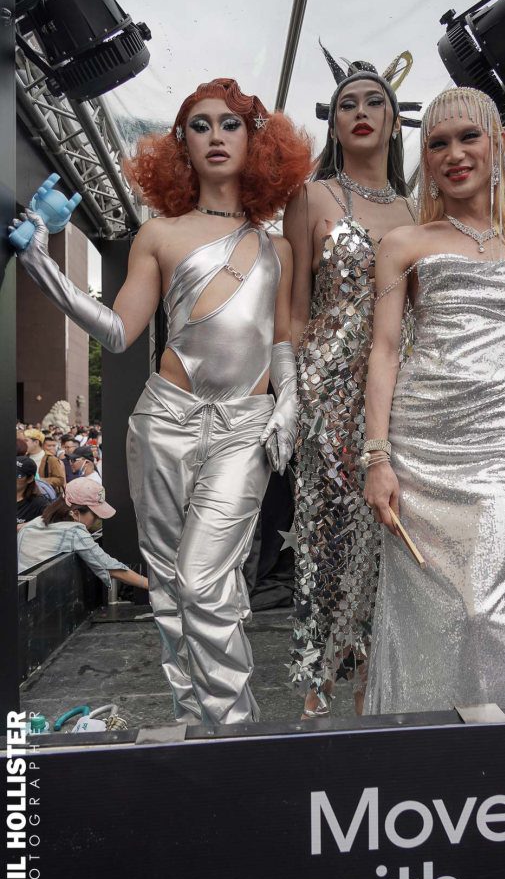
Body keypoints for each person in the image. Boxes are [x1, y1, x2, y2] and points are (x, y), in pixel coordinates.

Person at [11, 78, 312, 727]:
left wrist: (289, 401)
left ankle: (234, 731)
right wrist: (40, 263)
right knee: (172, 591)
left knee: (204, 580)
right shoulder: (159, 234)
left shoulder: (279, 247)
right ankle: (197, 726)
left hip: (245, 427)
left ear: (256, 141)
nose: (215, 136)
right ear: (181, 145)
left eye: (230, 124)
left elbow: (284, 338)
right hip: (163, 422)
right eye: (199, 125)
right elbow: (119, 330)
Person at [363, 86, 505, 715]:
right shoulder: (404, 243)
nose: (454, 154)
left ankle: (487, 748)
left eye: (468, 137)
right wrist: (377, 457)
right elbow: (384, 351)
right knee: (421, 612)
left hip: (495, 451)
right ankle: (413, 745)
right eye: (438, 143)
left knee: (482, 611)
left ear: (497, 143)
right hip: (417, 448)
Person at [284, 44, 419, 718]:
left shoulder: (419, 212)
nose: (361, 112)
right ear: (333, 123)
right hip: (327, 400)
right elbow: (293, 309)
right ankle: (315, 701)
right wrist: (289, 396)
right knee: (327, 545)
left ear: (394, 120)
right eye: (347, 104)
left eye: (374, 102)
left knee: (389, 546)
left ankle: (372, 704)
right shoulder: (312, 197)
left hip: (401, 401)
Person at [17, 477, 148, 591]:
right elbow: (110, 567)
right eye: (95, 515)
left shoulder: (31, 525)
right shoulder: (74, 532)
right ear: (75, 513)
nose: (97, 520)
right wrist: (149, 585)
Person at [16, 456, 49, 526]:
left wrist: (28, 525)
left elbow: (54, 521)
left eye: (18, 475)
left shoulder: (38, 504)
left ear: (30, 479)